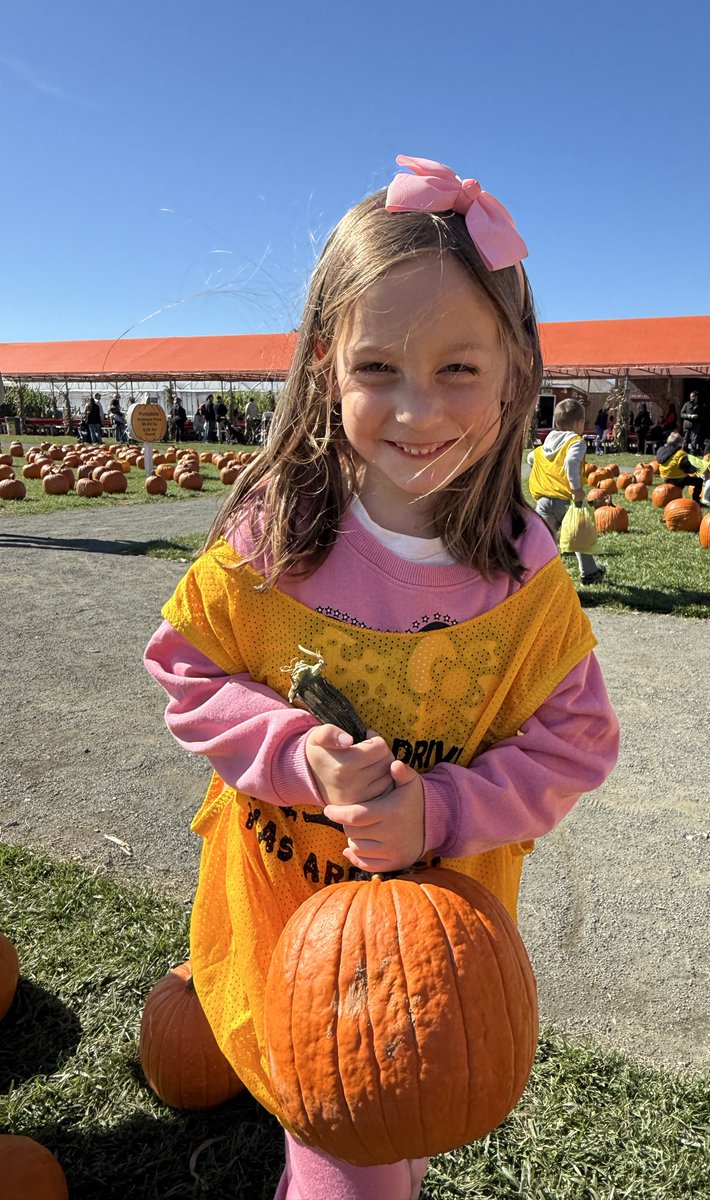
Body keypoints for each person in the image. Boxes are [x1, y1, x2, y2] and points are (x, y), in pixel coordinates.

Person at [143, 154, 620, 1200]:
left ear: (516, 373)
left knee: (380, 1132)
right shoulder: (271, 543)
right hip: (291, 928)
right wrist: (293, 752)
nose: (417, 409)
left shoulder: (523, 579)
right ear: (326, 366)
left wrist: (439, 811)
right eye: (378, 369)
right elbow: (187, 667)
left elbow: (576, 742)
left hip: (431, 960)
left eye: (459, 370)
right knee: (336, 1130)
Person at [526, 398, 607, 586]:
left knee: (542, 541)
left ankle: (535, 575)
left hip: (544, 501)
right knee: (579, 536)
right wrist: (576, 488)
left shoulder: (547, 443)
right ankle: (589, 573)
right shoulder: (576, 442)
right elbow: (571, 461)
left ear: (556, 423)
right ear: (579, 423)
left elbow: (531, 457)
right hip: (567, 501)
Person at [656, 430, 704, 502]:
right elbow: (686, 467)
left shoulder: (661, 450)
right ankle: (696, 500)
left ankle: (672, 496)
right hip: (677, 478)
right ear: (680, 444)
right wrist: (695, 470)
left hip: (665, 477)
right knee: (698, 481)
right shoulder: (681, 453)